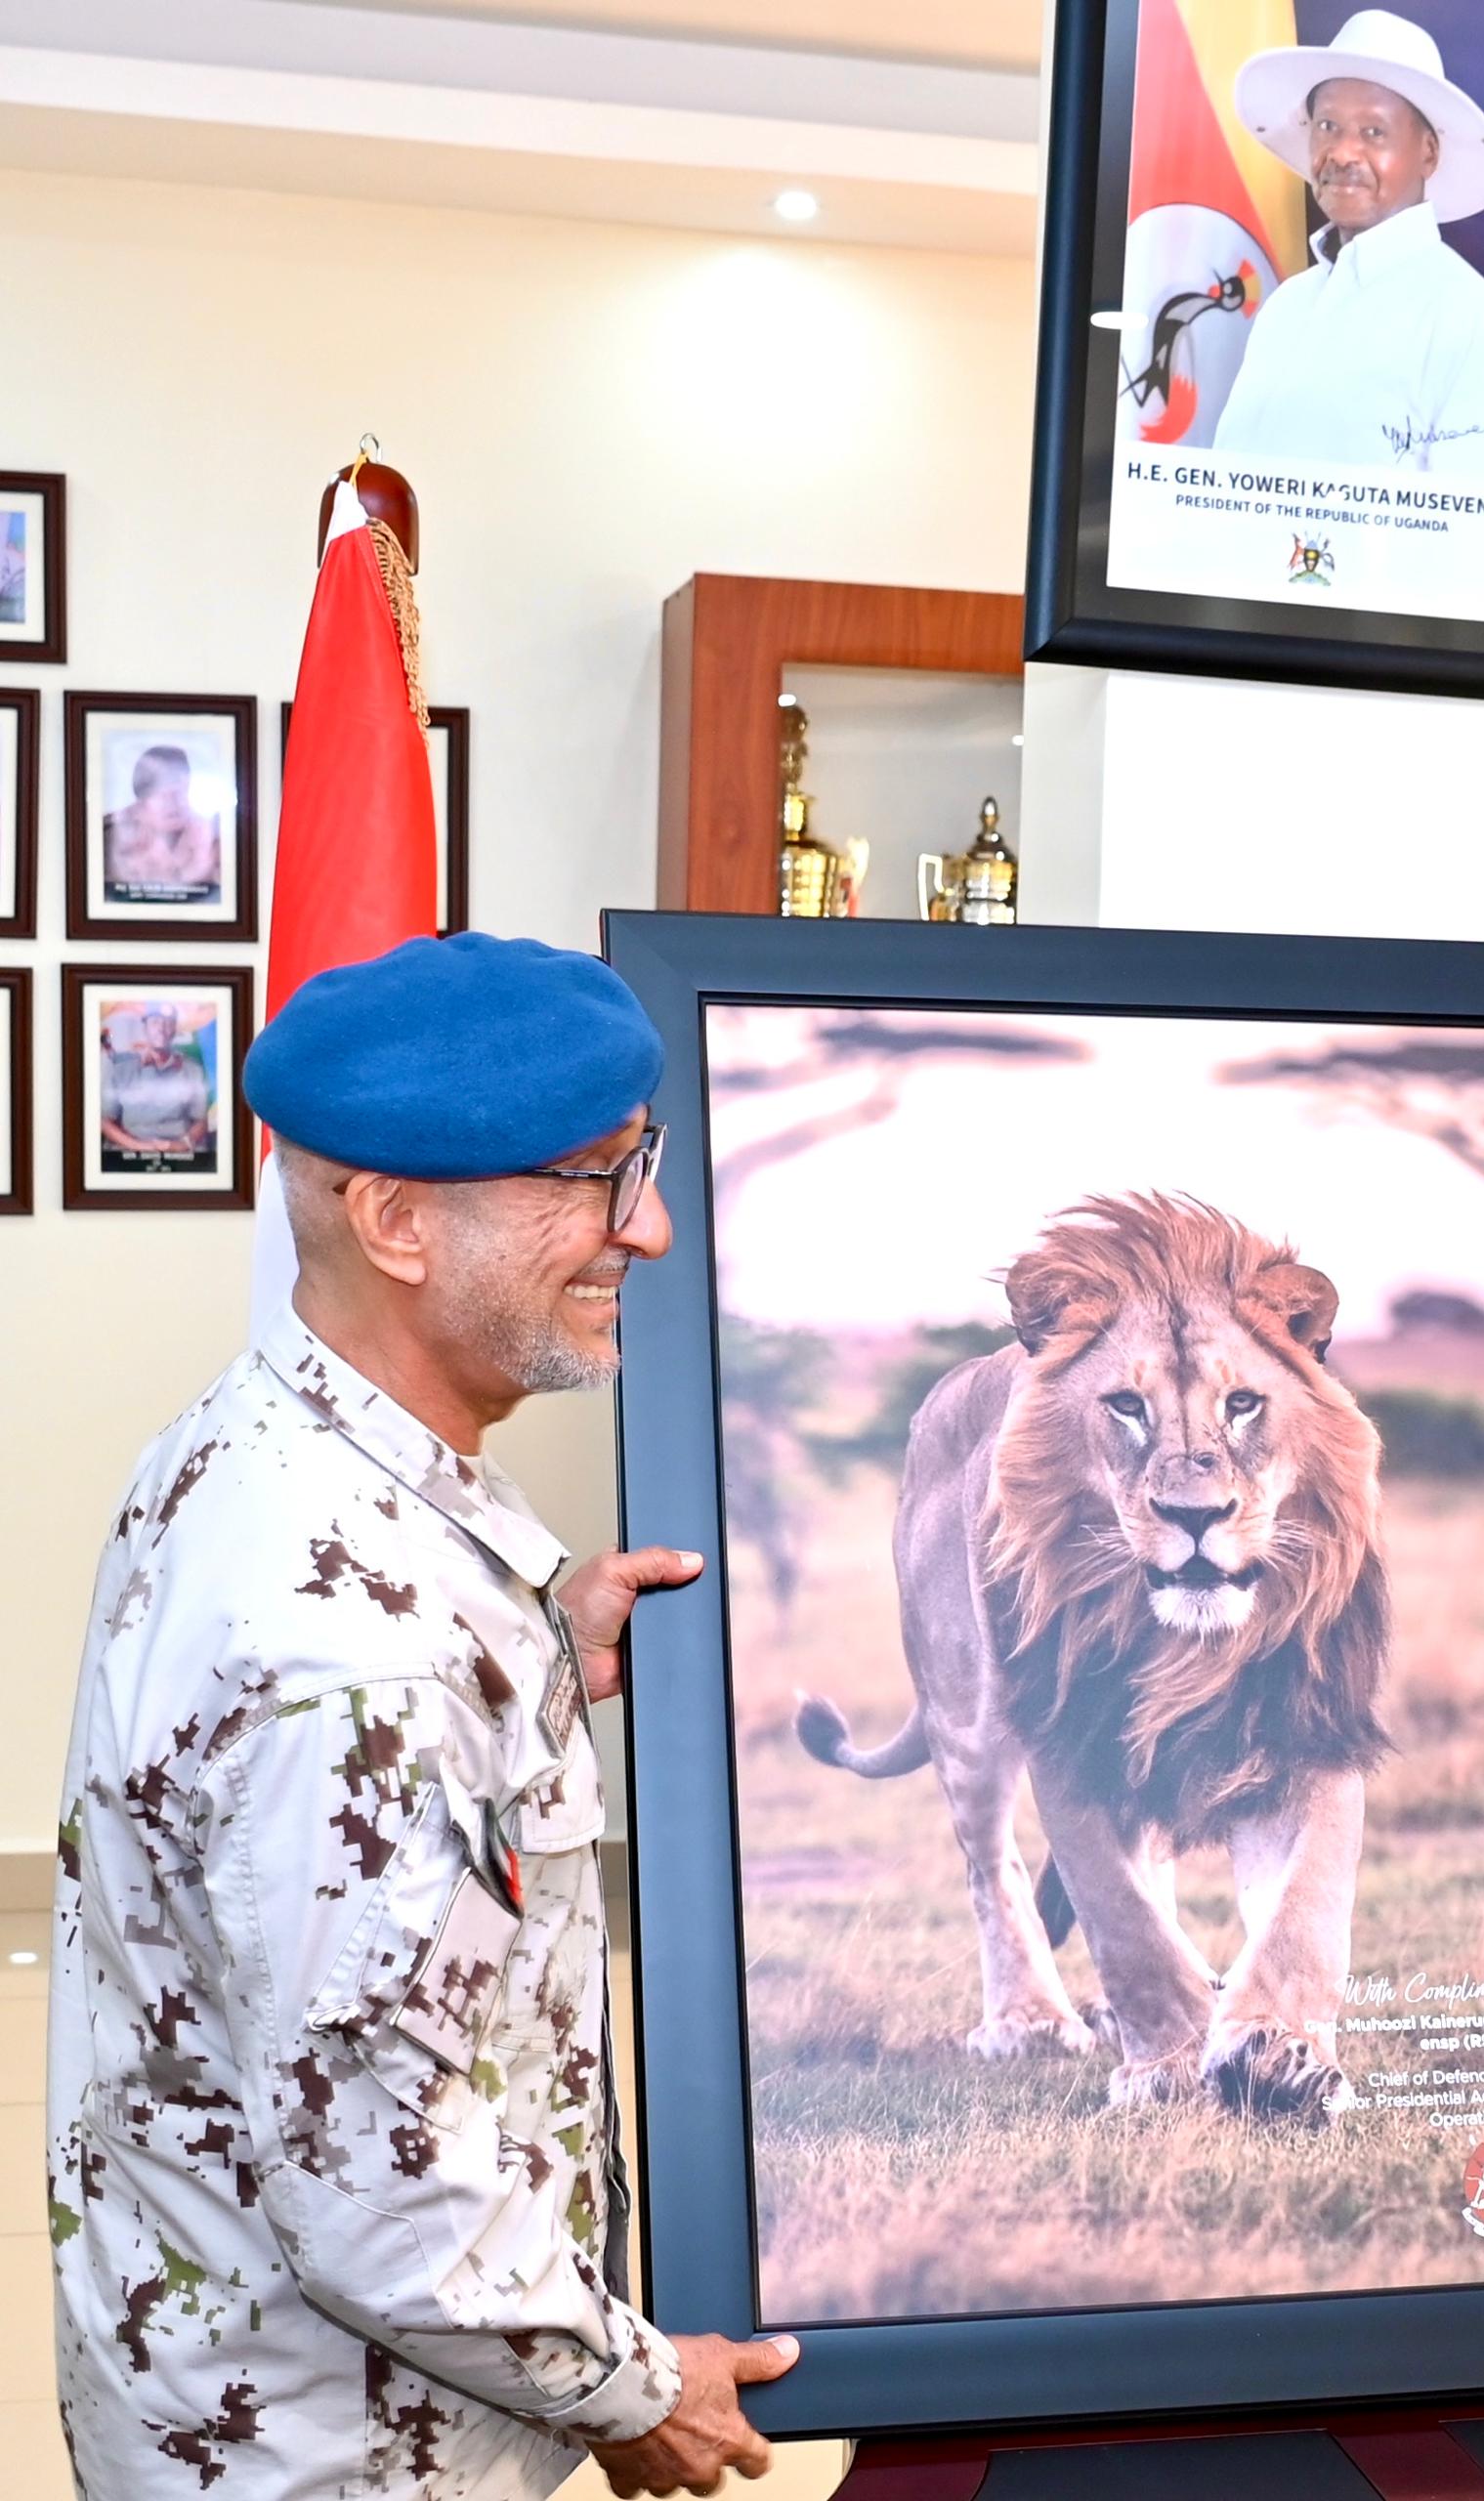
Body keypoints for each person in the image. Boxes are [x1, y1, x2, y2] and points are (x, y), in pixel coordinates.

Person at [51, 933, 802, 2497]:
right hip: (339, 2454)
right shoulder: (355, 1662)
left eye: (641, 1162)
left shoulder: (259, 1448)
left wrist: (524, 1657)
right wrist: (633, 2390)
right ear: (392, 1220)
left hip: (234, 2380)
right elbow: (383, 2196)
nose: (647, 1229)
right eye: (591, 1177)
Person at [1214, 9, 1484, 477]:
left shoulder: (1475, 324)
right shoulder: (1285, 307)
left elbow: (1468, 538)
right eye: (1327, 126)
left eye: (1373, 132)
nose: (1341, 152)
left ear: (1428, 153)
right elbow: (1225, 490)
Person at [103, 743, 223, 899]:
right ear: (140, 799)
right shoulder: (107, 840)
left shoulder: (214, 842)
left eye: (182, 789)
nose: (175, 801)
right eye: (162, 791)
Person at [97, 1005, 211, 1161]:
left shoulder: (193, 1070)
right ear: (145, 1027)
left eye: (168, 1023)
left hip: (178, 1154)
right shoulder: (121, 1069)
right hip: (129, 1152)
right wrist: (140, 1147)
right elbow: (106, 1122)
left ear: (175, 1030)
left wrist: (181, 1145)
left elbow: (201, 1122)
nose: (161, 1029)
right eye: (155, 1022)